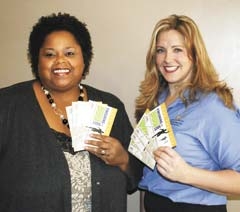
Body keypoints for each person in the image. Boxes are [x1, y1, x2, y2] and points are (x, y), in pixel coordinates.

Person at [0, 12, 142, 212]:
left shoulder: (111, 106)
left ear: (84, 58)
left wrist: (124, 160)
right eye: (49, 54)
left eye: (69, 53)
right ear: (36, 60)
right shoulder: (8, 105)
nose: (60, 61)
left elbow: (136, 177)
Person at [135, 14, 240, 212]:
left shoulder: (214, 106)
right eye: (160, 50)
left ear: (195, 55)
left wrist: (187, 174)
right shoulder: (155, 101)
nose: (167, 59)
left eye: (177, 50)